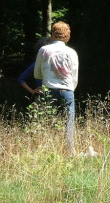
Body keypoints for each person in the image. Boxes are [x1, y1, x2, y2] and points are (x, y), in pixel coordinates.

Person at [34, 21, 79, 154]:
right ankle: (69, 150)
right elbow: (74, 76)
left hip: (48, 89)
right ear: (67, 35)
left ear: (53, 33)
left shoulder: (44, 50)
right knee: (68, 121)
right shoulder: (72, 52)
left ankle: (46, 149)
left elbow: (36, 73)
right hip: (67, 90)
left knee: (47, 120)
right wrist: (70, 89)